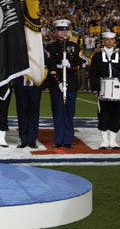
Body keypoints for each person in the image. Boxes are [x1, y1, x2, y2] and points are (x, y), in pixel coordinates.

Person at [45, 19, 82, 148]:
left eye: (66, 29)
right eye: (61, 30)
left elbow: (79, 64)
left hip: (71, 84)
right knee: (58, 113)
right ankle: (58, 139)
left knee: (69, 113)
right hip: (57, 85)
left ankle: (68, 140)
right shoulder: (50, 47)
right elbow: (51, 66)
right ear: (55, 32)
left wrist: (70, 65)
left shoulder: (75, 46)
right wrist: (59, 83)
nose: (64, 32)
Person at [89, 32, 120, 149]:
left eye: (112, 39)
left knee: (116, 114)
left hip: (116, 90)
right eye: (107, 39)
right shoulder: (97, 56)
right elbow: (92, 74)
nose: (109, 41)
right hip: (102, 89)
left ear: (114, 41)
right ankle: (104, 141)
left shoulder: (119, 55)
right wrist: (95, 90)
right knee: (103, 114)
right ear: (103, 41)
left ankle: (113, 141)